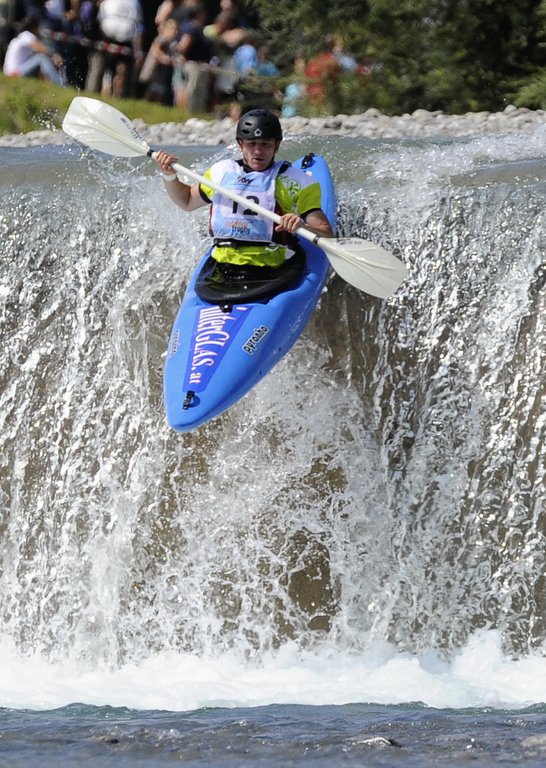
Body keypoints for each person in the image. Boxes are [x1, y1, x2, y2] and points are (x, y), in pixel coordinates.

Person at [154, 108, 335, 272]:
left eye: (265, 144)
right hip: (223, 266)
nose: (258, 151)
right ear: (241, 145)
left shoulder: (295, 181)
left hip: (273, 268)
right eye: (251, 144)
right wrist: (169, 176)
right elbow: (186, 201)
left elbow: (327, 234)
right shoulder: (221, 173)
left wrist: (300, 226)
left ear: (277, 145)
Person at [3, 13, 65, 83]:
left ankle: (52, 83)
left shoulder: (20, 37)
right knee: (41, 58)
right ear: (34, 27)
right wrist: (54, 55)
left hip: (11, 72)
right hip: (14, 73)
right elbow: (41, 49)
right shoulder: (26, 34)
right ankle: (58, 84)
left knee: (41, 59)